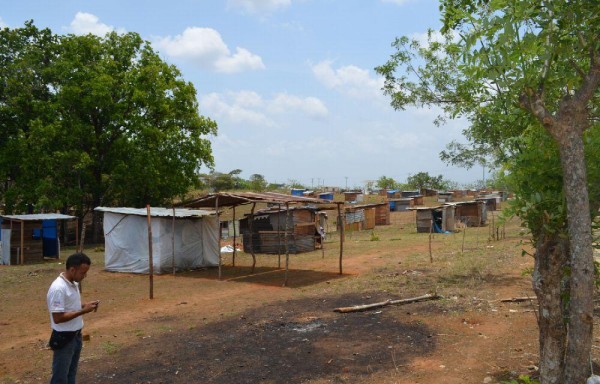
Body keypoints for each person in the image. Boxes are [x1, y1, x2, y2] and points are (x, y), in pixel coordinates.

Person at [47, 252, 99, 384]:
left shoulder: (72, 283)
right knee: (60, 377)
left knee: (71, 373)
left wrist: (84, 305)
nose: (85, 276)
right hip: (64, 338)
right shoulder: (58, 288)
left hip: (76, 336)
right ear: (72, 269)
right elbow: (58, 317)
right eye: (82, 273)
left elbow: (69, 306)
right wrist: (83, 311)